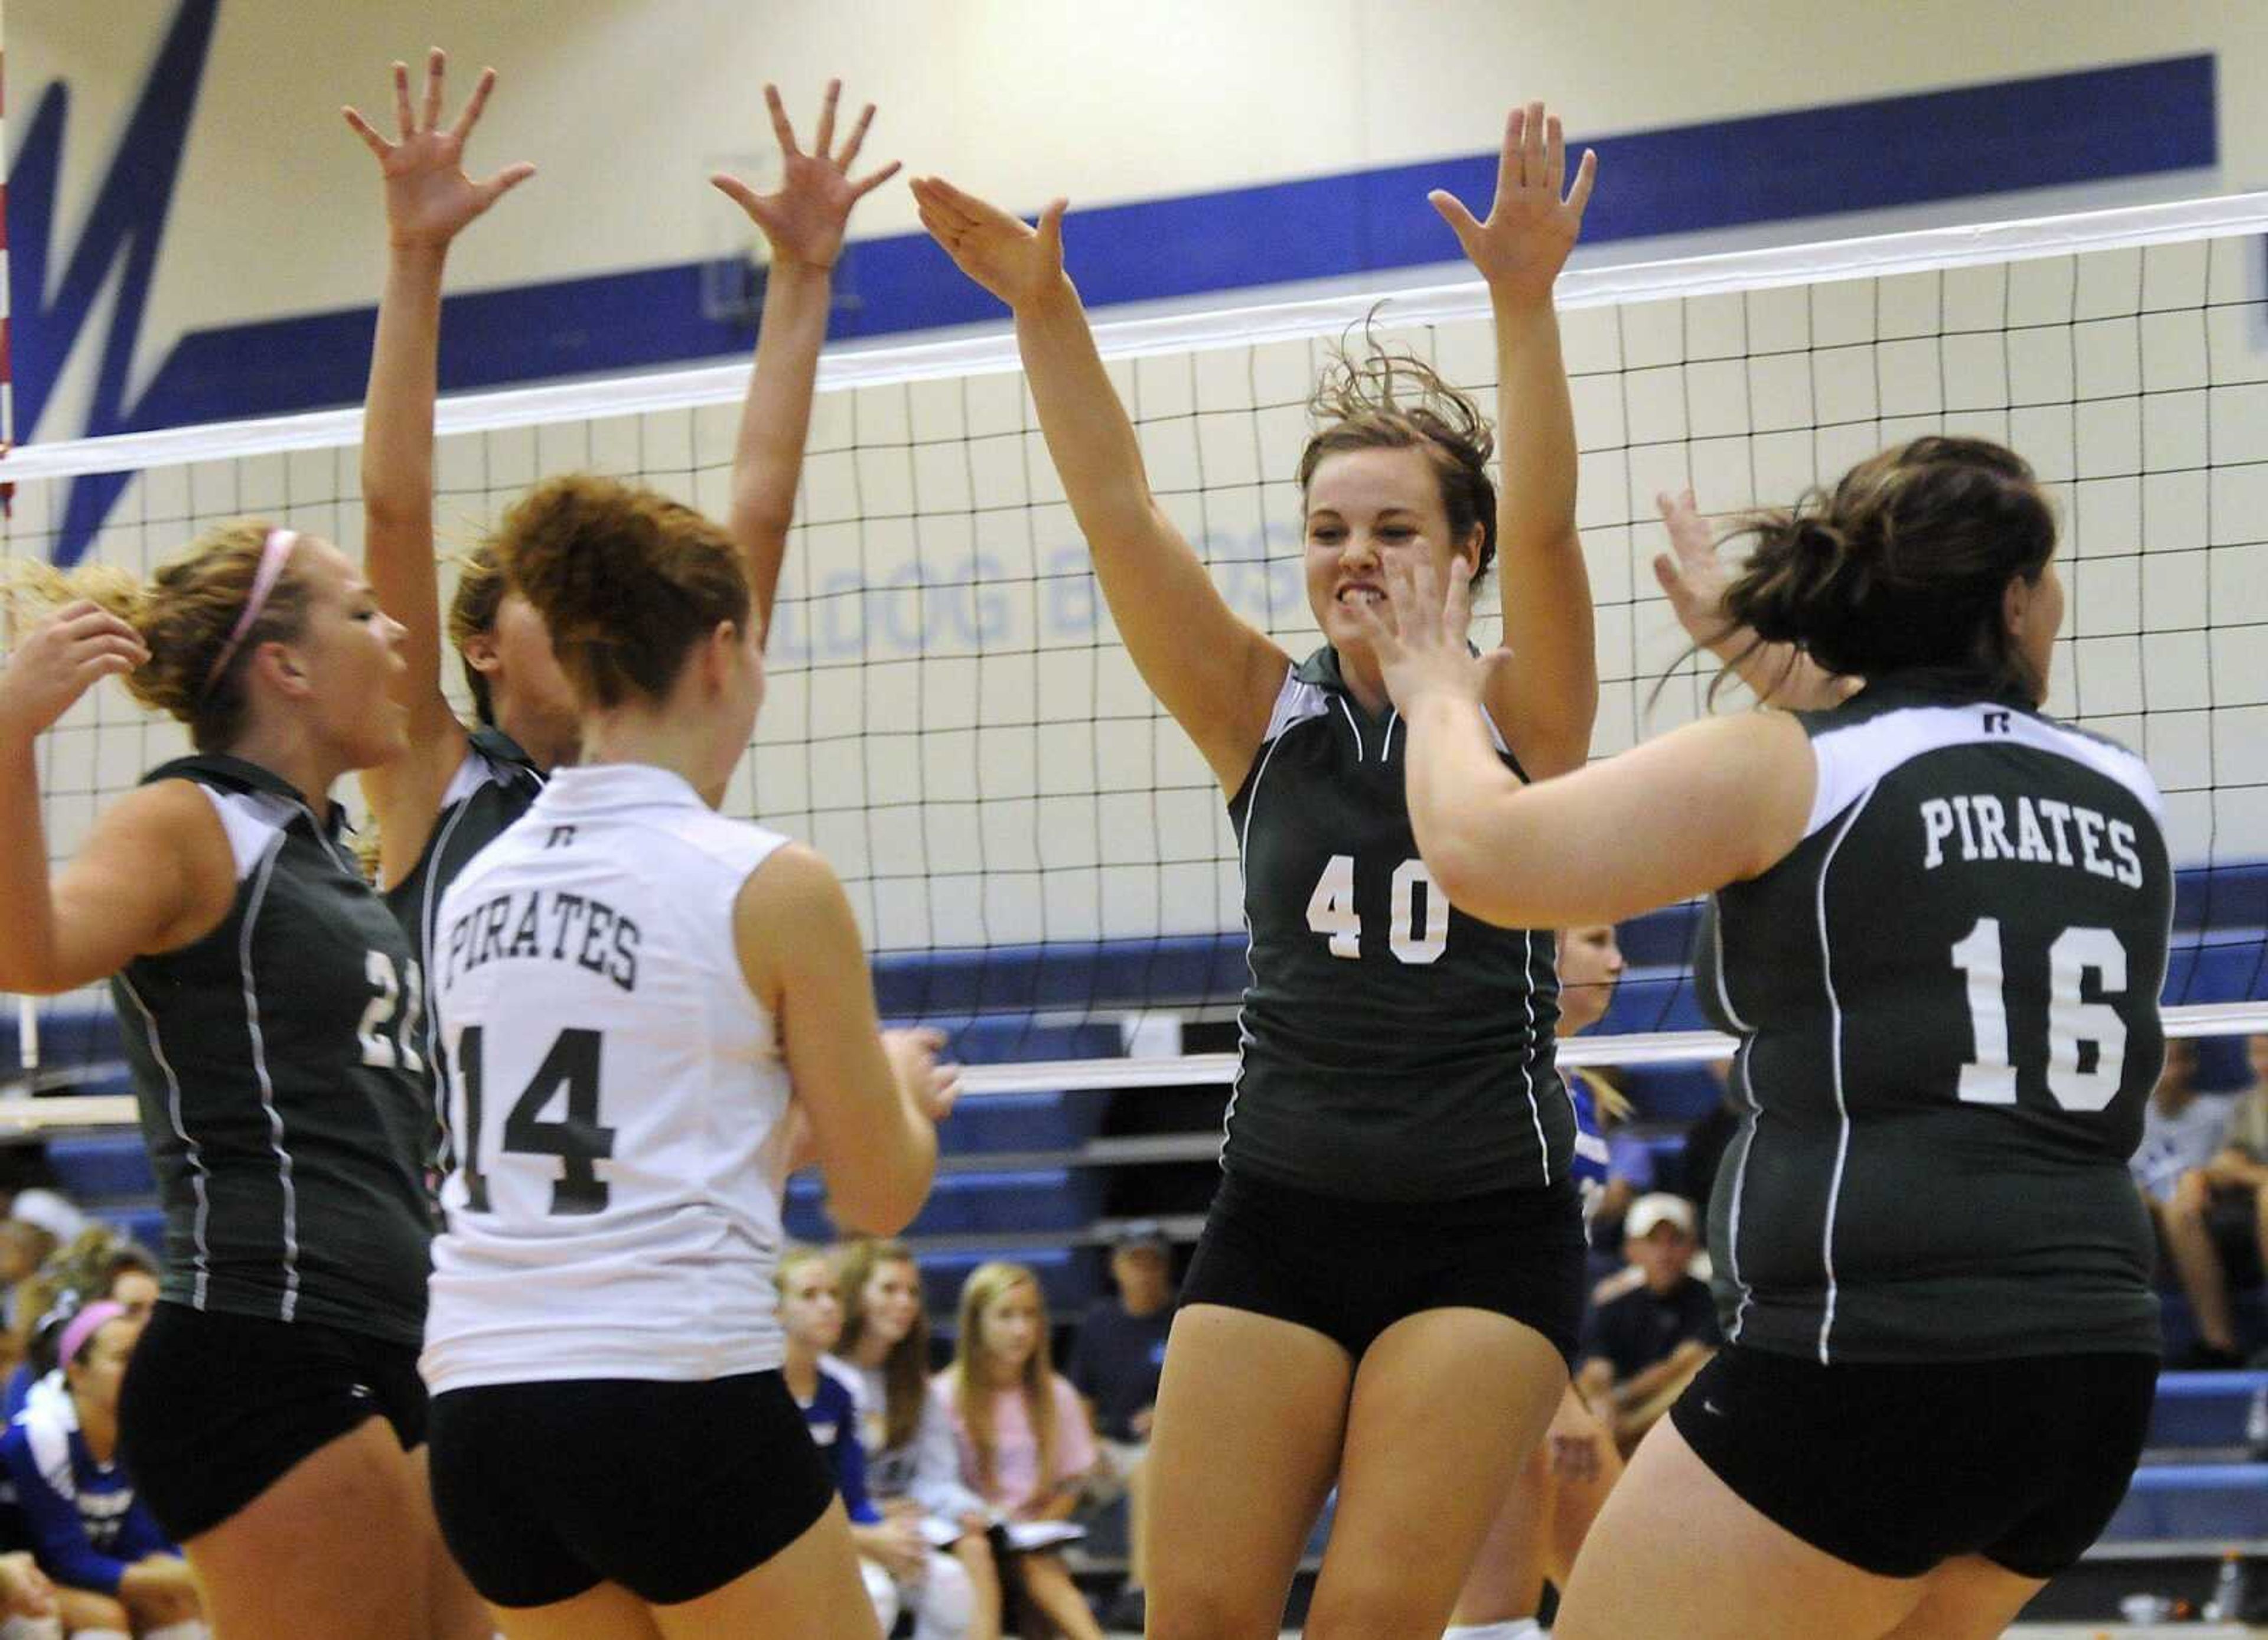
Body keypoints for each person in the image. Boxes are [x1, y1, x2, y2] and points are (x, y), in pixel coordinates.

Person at [913, 101, 1599, 1637]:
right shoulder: (1260, 713)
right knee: (1198, 1615)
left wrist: (1525, 306)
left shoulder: (1526, 709)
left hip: (1485, 1222)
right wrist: (1048, 310)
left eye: (1394, 527)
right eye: (1326, 528)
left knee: (1366, 1623)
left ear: (1461, 550)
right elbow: (1118, 512)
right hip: (1282, 1207)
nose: (1355, 554)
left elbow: (1550, 527)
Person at [1359, 433, 2172, 1638]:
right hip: (2089, 1378)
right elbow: (1915, 771)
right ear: (2010, 598)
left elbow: (1485, 854)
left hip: (1871, 1360)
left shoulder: (1787, 767)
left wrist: (1433, 690)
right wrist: (1766, 660)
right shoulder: (2120, 787)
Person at [420, 469, 956, 1639]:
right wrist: (901, 1090)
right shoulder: (769, 882)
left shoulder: (472, 885)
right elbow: (879, 1192)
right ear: (721, 651)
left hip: (478, 1414)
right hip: (669, 1388)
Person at [0, 515, 483, 1634]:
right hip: (264, 1329)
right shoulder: (189, 817)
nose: (399, 631)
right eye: (363, 611)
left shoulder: (324, 845)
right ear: (288, 665)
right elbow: (33, 952)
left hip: (401, 1326)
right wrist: (11, 735)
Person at [350, 59, 881, 1052]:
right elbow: (393, 503)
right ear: (478, 648)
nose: (587, 613)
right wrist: (414, 254)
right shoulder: (431, 774)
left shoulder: (674, 761)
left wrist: (804, 273)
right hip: (454, 1204)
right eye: (552, 601)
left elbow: (759, 509)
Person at [1448, 924, 1629, 1640]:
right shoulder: (1493, 1071)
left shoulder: (1579, 1082)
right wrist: (1550, 1396)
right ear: (1541, 950)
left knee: (1635, 1606)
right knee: (1497, 1623)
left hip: (1538, 1366)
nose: (1618, 961)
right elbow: (1474, 1249)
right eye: (1598, 939)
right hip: (1476, 1366)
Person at [0, 1304, 202, 1639]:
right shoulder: (43, 1434)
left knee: (174, 1605)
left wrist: (189, 1581)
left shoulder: (141, 1430)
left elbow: (142, 1546)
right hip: (32, 1573)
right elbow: (68, 1560)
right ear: (77, 1373)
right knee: (104, 1616)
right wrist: (204, 1578)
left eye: (143, 1357)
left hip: (72, 1571)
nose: (141, 1371)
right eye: (124, 1358)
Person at [833, 1238, 999, 1640]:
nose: (905, 1302)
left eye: (911, 1292)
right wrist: (877, 1515)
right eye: (889, 1289)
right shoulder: (827, 1377)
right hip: (847, 1526)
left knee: (965, 1560)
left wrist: (962, 1509)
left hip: (908, 1520)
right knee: (883, 1589)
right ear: (856, 1295)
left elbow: (936, 1475)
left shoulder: (916, 1385)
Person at [937, 1264, 1103, 1640]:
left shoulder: (1057, 1394)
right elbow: (935, 1483)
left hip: (1034, 1537)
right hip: (966, 1538)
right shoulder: (944, 1395)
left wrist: (1031, 1526)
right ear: (976, 1322)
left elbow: (1072, 1486)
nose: (1021, 1330)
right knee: (1019, 1569)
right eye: (1006, 1315)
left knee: (1035, 1570)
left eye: (1030, 1315)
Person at [775, 1248, 912, 1637]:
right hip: (774, 1549)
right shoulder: (756, 1394)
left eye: (834, 1294)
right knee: (877, 1593)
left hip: (835, 1535)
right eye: (810, 1295)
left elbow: (851, 1495)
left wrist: (887, 1528)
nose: (828, 1306)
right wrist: (869, 1540)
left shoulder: (839, 1393)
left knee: (942, 1576)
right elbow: (772, 1510)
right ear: (774, 1311)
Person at [1065, 1223, 1172, 1631]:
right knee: (1064, 1469)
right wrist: (1087, 1445)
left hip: (1165, 1449)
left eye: (1152, 1262)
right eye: (1135, 1261)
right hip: (1108, 1444)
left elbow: (1215, 1394)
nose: (1144, 1272)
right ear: (1116, 1267)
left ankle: (1138, 1590)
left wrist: (1168, 1414)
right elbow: (1080, 1399)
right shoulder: (1099, 1323)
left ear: (1165, 1268)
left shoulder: (1183, 1319)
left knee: (1148, 1467)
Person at [1573, 1195, 1720, 1453]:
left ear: (1692, 1248)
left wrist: (1621, 1397)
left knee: (1705, 1371)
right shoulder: (1612, 1301)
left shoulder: (1710, 1301)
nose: (1664, 1254)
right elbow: (1596, 1364)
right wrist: (1601, 1397)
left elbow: (1687, 1360)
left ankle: (1621, 1438)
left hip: (1662, 1414)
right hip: (1620, 1408)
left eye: (1675, 1241)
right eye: (1653, 1241)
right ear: (1631, 1249)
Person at [2162, 1033, 2268, 1364]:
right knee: (2181, 1207)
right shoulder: (2251, 1103)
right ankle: (2219, 1345)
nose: (2262, 1064)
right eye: (2256, 1053)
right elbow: (2228, 1161)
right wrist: (2198, 1177)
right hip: (2248, 1201)